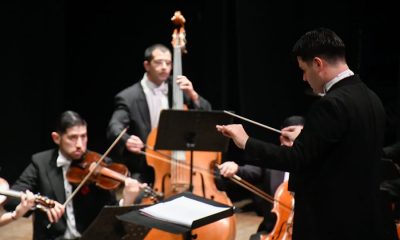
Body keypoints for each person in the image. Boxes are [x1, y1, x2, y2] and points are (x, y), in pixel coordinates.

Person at [216, 28, 396, 239]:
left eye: (304, 69)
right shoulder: (370, 97)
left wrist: (246, 142)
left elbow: (296, 159)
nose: (303, 78)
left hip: (334, 222)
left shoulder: (331, 104)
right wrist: (306, 137)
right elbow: (346, 148)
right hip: (367, 218)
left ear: (318, 64)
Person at [4, 110, 145, 239]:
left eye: (83, 136)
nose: (79, 144)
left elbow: (111, 216)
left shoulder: (101, 164)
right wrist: (38, 204)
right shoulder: (41, 163)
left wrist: (128, 199)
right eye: (72, 138)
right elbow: (11, 200)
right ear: (56, 138)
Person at [107, 43, 212, 184]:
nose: (164, 67)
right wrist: (127, 140)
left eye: (168, 63)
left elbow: (207, 115)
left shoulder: (178, 89)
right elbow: (114, 127)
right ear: (146, 65)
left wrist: (193, 95)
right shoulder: (128, 97)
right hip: (145, 168)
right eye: (158, 62)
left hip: (180, 164)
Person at [218, 115, 304, 239]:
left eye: (297, 137)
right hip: (274, 230)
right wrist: (235, 168)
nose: (292, 142)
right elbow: (250, 171)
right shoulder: (272, 163)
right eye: (286, 137)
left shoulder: (314, 165)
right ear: (281, 139)